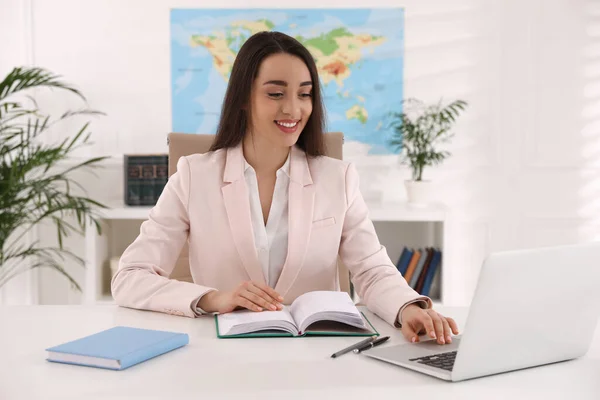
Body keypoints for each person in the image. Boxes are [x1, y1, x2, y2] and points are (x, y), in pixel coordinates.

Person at [112, 31, 459, 345]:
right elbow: (129, 278)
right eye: (276, 93)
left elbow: (370, 269)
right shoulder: (193, 176)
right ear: (244, 98)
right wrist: (213, 298)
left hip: (320, 354)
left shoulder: (337, 178)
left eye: (304, 94)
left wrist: (407, 308)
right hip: (224, 354)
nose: (293, 108)